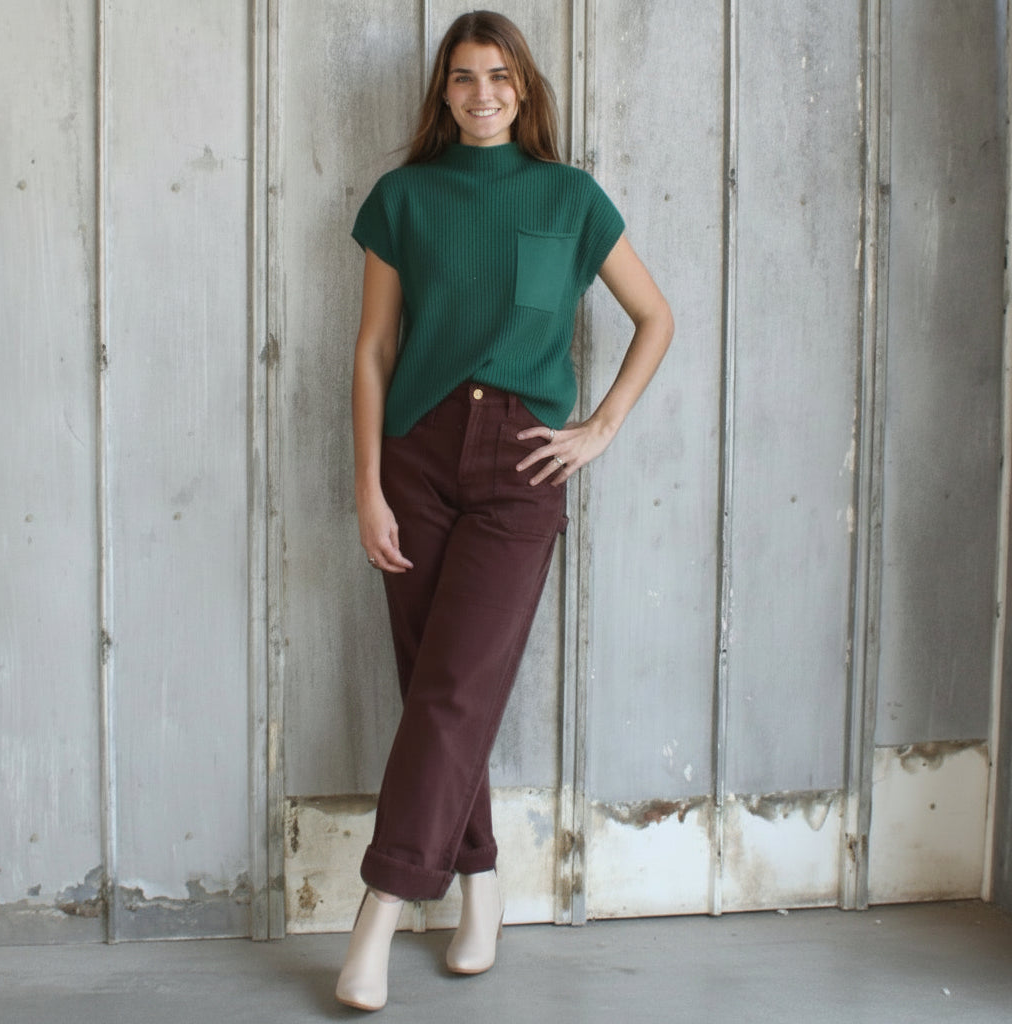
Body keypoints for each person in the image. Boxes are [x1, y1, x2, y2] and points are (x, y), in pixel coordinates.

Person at [336, 10, 674, 1011]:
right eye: (462, 77)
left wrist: (601, 424)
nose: (481, 92)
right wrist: (365, 483)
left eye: (499, 76)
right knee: (439, 688)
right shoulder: (402, 198)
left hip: (520, 463)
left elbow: (654, 316)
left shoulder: (568, 198)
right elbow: (370, 350)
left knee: (452, 691)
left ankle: (377, 917)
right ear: (441, 92)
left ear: (523, 90)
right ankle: (480, 891)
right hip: (417, 458)